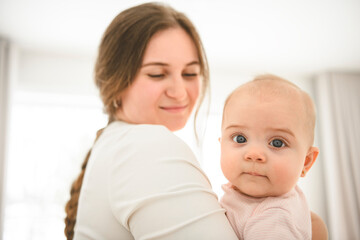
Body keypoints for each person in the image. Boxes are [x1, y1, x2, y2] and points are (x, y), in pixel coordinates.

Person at [64, 2, 328, 240]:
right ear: (115, 82)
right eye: (157, 74)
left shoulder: (114, 144)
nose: (179, 91)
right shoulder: (147, 144)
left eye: (190, 73)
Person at [219, 74, 326, 239]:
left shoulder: (275, 218)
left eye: (277, 143)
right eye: (240, 138)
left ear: (306, 162)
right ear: (221, 146)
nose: (254, 154)